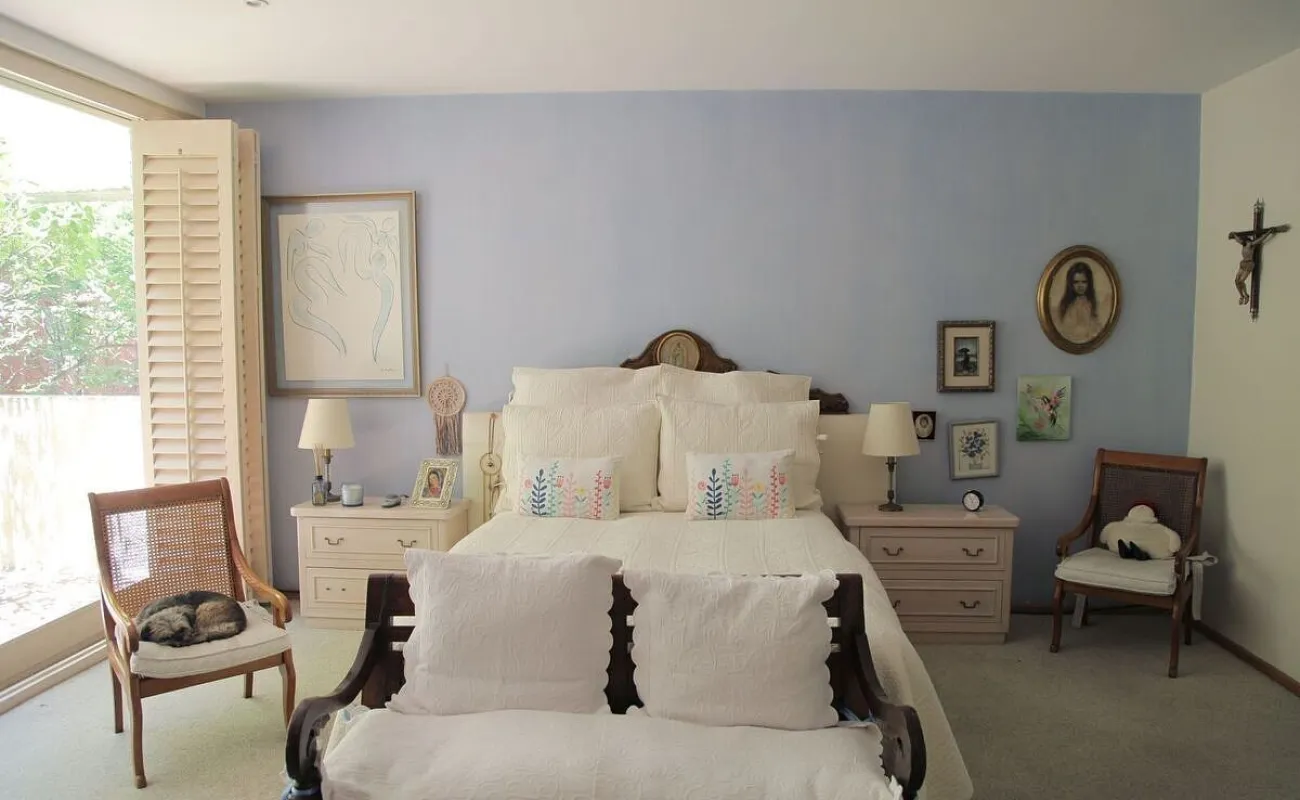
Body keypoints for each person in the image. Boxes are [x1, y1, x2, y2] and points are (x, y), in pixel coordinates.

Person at [1053, 261, 1104, 343]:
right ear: (1070, 283)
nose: (1080, 286)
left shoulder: (1090, 303)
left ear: (1089, 283)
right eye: (1076, 282)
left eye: (1084, 282)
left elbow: (1095, 327)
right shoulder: (1067, 305)